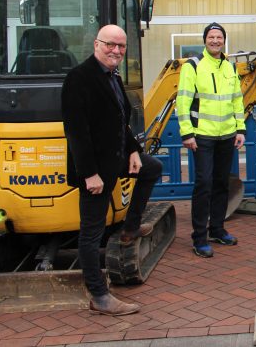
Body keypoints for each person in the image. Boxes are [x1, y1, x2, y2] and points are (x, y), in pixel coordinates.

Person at [62, 25, 162, 316]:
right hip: (95, 169)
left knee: (151, 168)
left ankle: (130, 227)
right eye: (110, 45)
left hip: (115, 157)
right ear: (96, 44)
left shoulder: (113, 77)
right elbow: (76, 132)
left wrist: (133, 150)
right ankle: (99, 295)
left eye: (121, 46)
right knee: (91, 233)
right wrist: (89, 174)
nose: (116, 51)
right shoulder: (79, 79)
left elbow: (120, 121)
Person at [176, 22, 245, 258]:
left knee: (221, 184)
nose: (215, 40)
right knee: (203, 185)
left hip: (226, 135)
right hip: (202, 136)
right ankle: (199, 237)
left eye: (219, 37)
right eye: (211, 37)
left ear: (224, 41)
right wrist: (187, 133)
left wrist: (240, 129)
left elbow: (237, 101)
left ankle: (217, 229)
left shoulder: (230, 67)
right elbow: (183, 102)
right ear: (205, 40)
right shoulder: (193, 66)